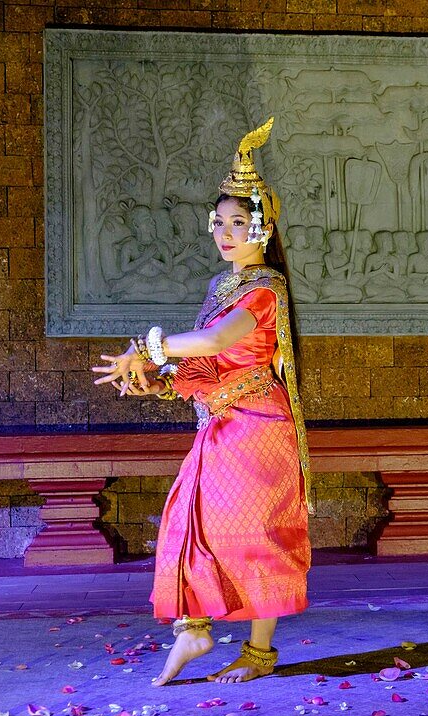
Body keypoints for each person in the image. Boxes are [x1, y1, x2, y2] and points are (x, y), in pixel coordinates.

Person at [92, 118, 313, 684]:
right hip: (218, 425)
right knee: (184, 523)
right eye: (218, 223)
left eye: (238, 222)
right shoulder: (222, 286)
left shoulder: (265, 287)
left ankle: (259, 653)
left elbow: (216, 342)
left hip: (258, 425)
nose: (225, 232)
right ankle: (192, 627)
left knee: (256, 535)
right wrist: (157, 377)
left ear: (262, 227)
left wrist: (150, 346)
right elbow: (205, 365)